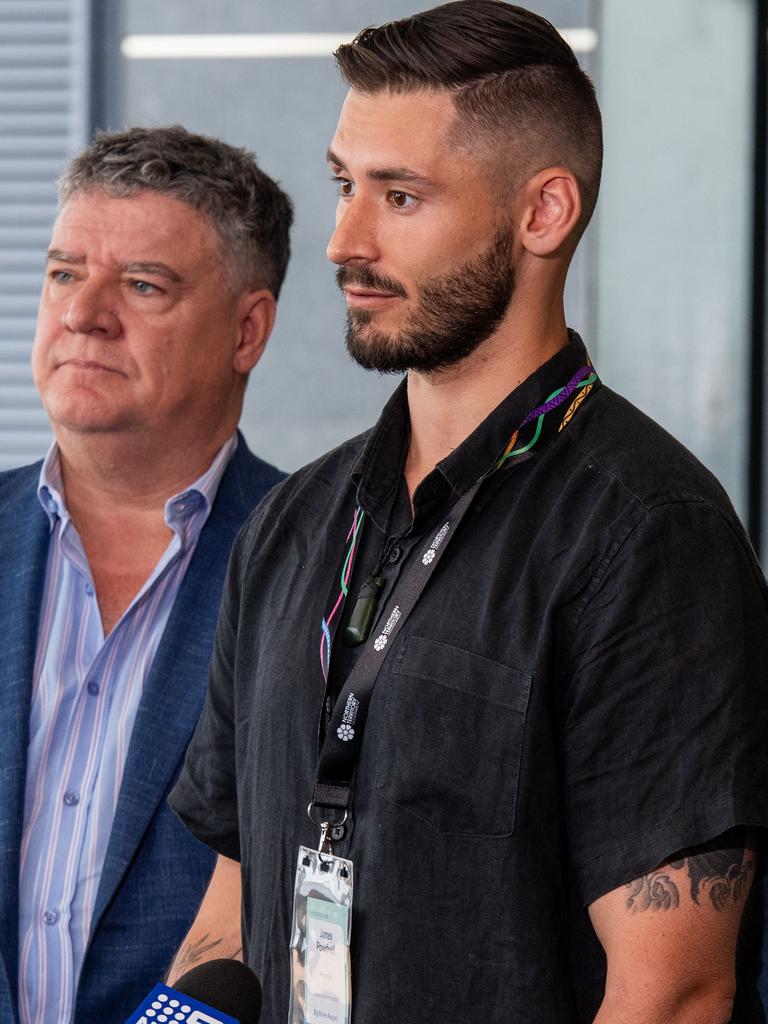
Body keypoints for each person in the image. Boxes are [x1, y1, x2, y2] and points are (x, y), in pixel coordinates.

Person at [168, 4, 768, 1022]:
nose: (344, 241)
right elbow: (237, 894)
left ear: (543, 213)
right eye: (344, 185)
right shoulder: (290, 527)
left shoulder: (650, 537)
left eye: (401, 196)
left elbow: (674, 991)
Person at [0, 126, 291, 1024]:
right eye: (63, 273)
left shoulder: (329, 566)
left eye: (141, 284)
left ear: (248, 331)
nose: (84, 312)